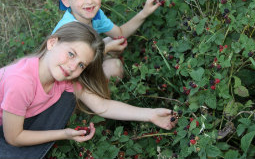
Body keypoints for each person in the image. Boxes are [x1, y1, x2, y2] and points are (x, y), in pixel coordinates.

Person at [0, 22, 177, 159]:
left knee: (69, 94)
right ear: (52, 42)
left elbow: (102, 106)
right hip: (9, 132)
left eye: (81, 65)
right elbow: (14, 138)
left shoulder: (64, 78)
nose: (71, 67)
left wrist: (150, 114)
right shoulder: (21, 82)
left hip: (13, 122)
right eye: (71, 54)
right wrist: (64, 134)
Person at [52, 0, 163, 79]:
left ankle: (100, 74)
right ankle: (93, 94)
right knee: (114, 66)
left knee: (115, 40)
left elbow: (120, 33)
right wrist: (107, 49)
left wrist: (144, 13)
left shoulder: (96, 15)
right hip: (68, 78)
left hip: (84, 62)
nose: (89, 1)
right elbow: (72, 66)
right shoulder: (68, 28)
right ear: (66, 0)